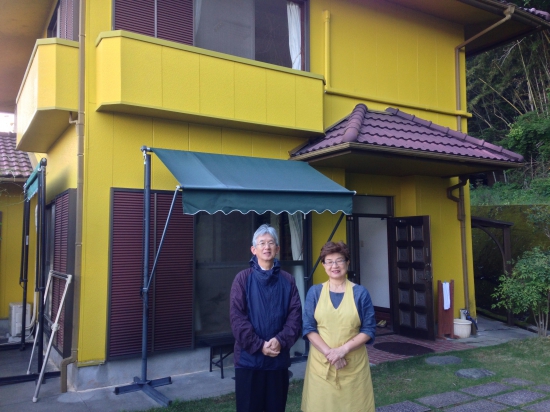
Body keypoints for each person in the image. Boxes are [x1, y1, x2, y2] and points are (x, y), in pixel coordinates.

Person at [230, 224, 302, 412]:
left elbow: (295, 317)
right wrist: (259, 345)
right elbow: (238, 319)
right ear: (254, 250)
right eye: (262, 243)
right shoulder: (242, 279)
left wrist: (280, 340)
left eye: (271, 243)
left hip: (278, 361)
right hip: (248, 360)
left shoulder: (288, 280)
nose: (267, 247)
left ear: (277, 249)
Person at [301, 241, 376, 412]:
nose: (334, 266)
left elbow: (369, 329)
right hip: (321, 366)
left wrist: (342, 350)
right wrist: (331, 353)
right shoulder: (315, 292)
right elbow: (308, 328)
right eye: (329, 261)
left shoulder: (360, 293)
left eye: (339, 260)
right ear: (323, 265)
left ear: (347, 263)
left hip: (353, 366)